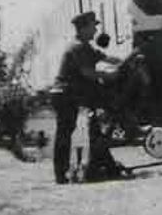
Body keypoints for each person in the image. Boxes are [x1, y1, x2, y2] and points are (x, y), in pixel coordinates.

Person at [51, 11, 125, 184]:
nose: (95, 30)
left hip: (69, 94)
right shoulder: (77, 47)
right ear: (83, 28)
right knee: (65, 133)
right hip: (64, 94)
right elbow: (88, 73)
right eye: (93, 26)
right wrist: (110, 76)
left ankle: (100, 165)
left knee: (82, 130)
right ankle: (60, 175)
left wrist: (125, 62)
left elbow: (107, 58)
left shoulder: (85, 47)